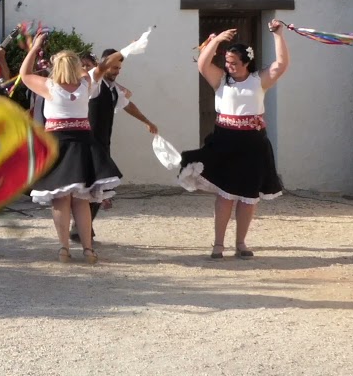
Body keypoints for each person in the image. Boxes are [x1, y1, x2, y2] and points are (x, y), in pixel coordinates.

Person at [179, 20, 289, 259]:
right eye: (227, 62)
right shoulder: (220, 80)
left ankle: (241, 243)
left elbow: (281, 65)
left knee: (248, 197)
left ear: (246, 63)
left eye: (234, 63)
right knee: (225, 195)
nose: (229, 67)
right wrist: (216, 40)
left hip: (252, 143)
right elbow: (202, 64)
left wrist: (278, 34)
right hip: (225, 141)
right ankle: (218, 244)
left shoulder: (258, 80)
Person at [18, 29, 124, 264]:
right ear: (76, 66)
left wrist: (35, 48)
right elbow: (103, 65)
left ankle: (63, 248)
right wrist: (125, 50)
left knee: (60, 200)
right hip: (83, 143)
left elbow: (24, 74)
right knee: (81, 200)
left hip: (57, 144)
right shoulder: (85, 83)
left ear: (57, 67)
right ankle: (88, 249)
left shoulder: (49, 86)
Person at [71, 48, 159, 243]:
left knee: (98, 189)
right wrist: (131, 46)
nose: (116, 70)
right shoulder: (93, 84)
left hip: (102, 143)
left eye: (119, 67)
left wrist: (146, 121)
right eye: (113, 66)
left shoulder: (113, 89)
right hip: (88, 143)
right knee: (91, 187)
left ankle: (82, 229)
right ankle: (80, 229)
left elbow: (127, 104)